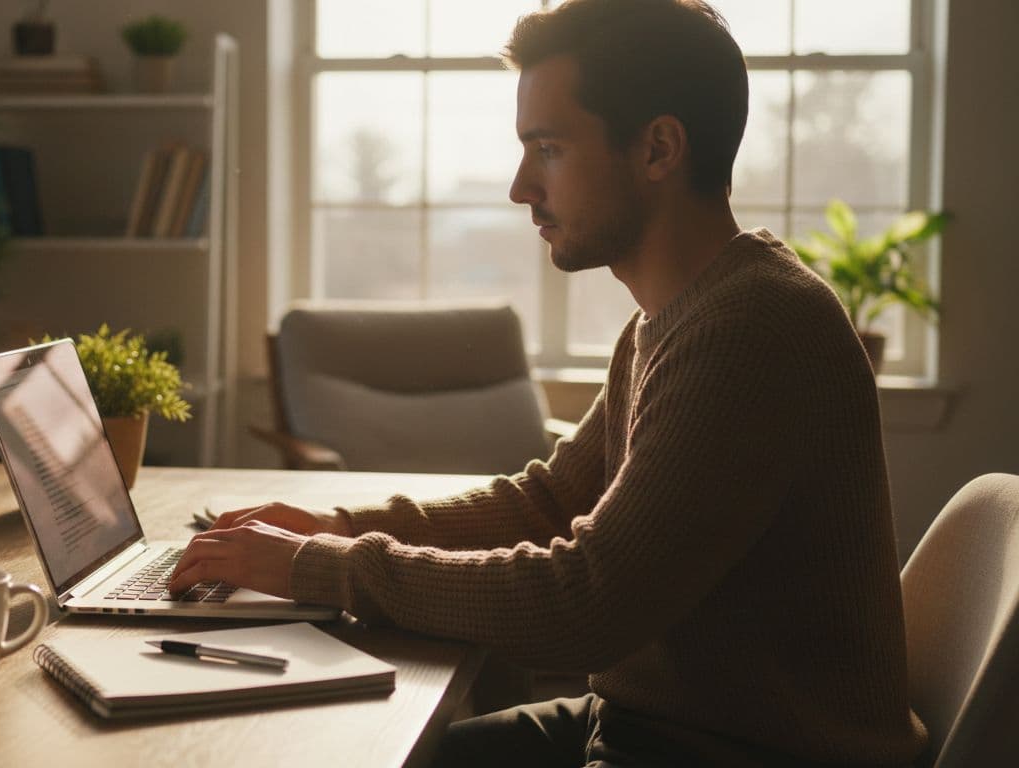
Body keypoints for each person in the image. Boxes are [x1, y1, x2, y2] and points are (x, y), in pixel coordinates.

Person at [169, 0, 927, 764]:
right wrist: (336, 526)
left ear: (659, 147)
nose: (520, 185)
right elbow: (552, 500)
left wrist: (321, 569)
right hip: (657, 726)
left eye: (549, 148)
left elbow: (586, 602)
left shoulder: (753, 329)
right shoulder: (676, 317)